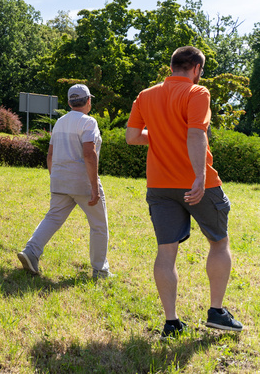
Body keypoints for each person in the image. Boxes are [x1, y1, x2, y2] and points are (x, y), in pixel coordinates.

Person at [126, 46, 242, 339]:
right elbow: (195, 133)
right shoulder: (197, 93)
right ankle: (216, 312)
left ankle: (171, 322)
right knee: (218, 242)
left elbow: (132, 137)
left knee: (166, 252)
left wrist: (163, 134)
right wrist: (200, 177)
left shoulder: (146, 95)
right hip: (197, 184)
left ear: (172, 66)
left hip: (160, 185)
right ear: (196, 69)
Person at [17, 84, 109, 279]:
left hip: (59, 179)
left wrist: (56, 179)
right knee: (98, 225)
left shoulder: (59, 122)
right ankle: (100, 270)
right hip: (82, 182)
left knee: (52, 218)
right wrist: (94, 188)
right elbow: (89, 154)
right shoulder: (88, 122)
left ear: (69, 102)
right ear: (89, 101)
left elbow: (50, 155)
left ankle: (31, 251)